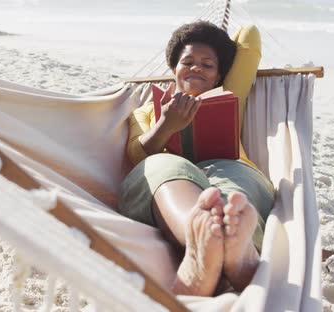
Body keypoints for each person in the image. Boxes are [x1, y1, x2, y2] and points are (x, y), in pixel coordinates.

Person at [118, 21, 275, 297]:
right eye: (187, 61)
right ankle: (206, 240)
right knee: (159, 165)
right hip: (169, 179)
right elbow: (135, 154)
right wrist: (166, 125)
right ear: (173, 69)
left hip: (227, 166)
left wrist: (209, 40)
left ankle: (236, 250)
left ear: (218, 76)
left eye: (208, 64)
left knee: (233, 185)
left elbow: (250, 36)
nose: (196, 68)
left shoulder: (229, 96)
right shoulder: (146, 111)